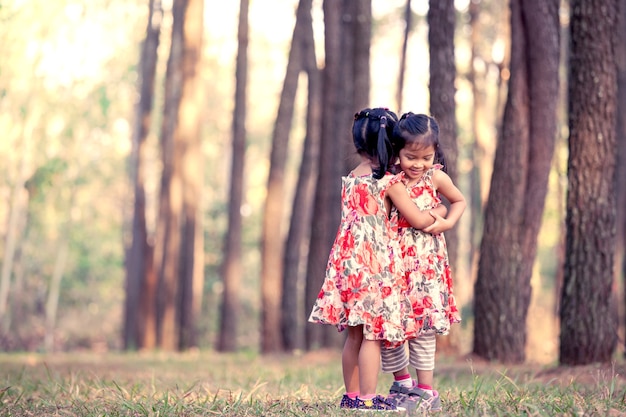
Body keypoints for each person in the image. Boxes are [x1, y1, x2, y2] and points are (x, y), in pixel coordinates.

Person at [308, 108, 448, 412]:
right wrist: (439, 213)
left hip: (347, 263)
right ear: (391, 143)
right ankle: (369, 400)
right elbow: (418, 219)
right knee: (372, 334)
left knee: (354, 335)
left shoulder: (351, 178)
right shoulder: (388, 181)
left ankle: (353, 396)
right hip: (373, 265)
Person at [381, 112, 466, 413]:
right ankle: (401, 383)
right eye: (410, 157)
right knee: (390, 326)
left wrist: (448, 222)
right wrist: (437, 213)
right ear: (397, 152)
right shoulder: (391, 178)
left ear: (435, 154)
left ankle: (426, 390)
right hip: (394, 263)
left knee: (422, 327)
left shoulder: (436, 177)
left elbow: (458, 200)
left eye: (426, 157)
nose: (418, 165)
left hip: (426, 266)